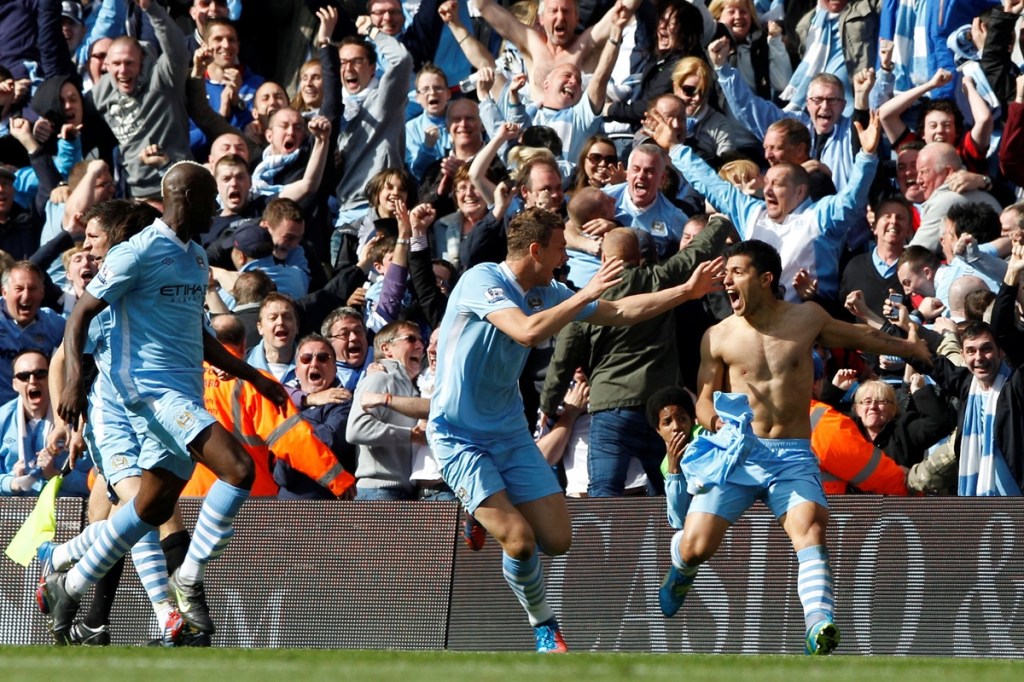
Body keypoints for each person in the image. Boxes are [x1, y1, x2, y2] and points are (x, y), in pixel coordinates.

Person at [427, 207, 727, 653]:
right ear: (535, 250)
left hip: (509, 433)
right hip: (458, 435)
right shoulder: (481, 280)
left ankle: (481, 506)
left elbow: (623, 311)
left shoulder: (546, 290)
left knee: (558, 540)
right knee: (521, 542)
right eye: (560, 247)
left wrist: (685, 290)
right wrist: (579, 295)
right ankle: (544, 625)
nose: (565, 256)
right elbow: (527, 332)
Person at [38, 162, 289, 644]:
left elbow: (197, 335)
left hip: (183, 390)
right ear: (186, 198)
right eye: (210, 196)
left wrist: (253, 375)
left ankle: (68, 583)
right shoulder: (137, 252)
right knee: (238, 469)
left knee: (150, 508)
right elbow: (81, 315)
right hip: (149, 391)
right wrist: (71, 386)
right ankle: (186, 582)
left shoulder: (195, 256)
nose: (217, 206)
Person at [657, 239, 931, 655]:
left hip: (792, 455)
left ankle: (819, 624)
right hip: (737, 451)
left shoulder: (807, 318)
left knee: (810, 528)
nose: (726, 279)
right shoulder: (717, 336)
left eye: (736, 272)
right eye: (726, 273)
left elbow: (858, 335)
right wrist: (714, 421)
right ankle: (680, 567)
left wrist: (909, 347)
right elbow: (703, 397)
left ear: (765, 279)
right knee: (697, 546)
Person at [348, 321, 427, 500]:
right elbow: (356, 429)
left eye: (421, 341)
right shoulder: (379, 379)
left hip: (401, 493)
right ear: (387, 348)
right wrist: (409, 435)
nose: (420, 345)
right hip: (378, 491)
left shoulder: (414, 388)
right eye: (410, 339)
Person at [0, 262, 66, 404]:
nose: (26, 295)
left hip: (37, 411)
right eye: (19, 289)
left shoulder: (54, 324)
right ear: (4, 292)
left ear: (42, 292)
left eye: (32, 289)